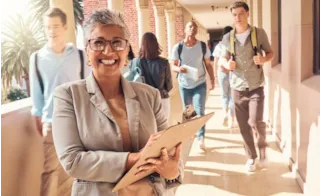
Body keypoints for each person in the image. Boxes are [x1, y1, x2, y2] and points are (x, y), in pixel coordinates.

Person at [52, 9, 183, 196]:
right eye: (98, 43)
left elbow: (170, 154)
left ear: (127, 49)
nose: (109, 51)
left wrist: (172, 170)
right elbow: (73, 161)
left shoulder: (150, 95)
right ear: (87, 50)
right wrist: (137, 158)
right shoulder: (68, 96)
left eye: (117, 43)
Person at [29, 7, 89, 196]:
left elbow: (88, 90)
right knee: (50, 173)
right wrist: (39, 118)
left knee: (75, 172)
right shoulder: (37, 58)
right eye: (48, 27)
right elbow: (36, 94)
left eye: (55, 26)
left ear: (64, 27)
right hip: (51, 124)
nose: (52, 31)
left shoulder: (79, 56)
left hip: (76, 124)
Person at [219, 1, 274, 171]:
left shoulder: (259, 33)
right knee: (243, 126)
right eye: (234, 15)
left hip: (256, 86)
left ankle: (262, 148)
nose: (238, 17)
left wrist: (264, 59)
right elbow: (222, 58)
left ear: (248, 14)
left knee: (255, 121)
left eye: (241, 13)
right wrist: (228, 65)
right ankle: (251, 157)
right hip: (237, 88)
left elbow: (270, 53)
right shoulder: (228, 38)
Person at [171, 21, 215, 150]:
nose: (193, 29)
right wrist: (179, 69)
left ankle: (201, 138)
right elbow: (173, 65)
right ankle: (190, 134)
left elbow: (208, 64)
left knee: (200, 110)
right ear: (185, 29)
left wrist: (212, 79)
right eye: (190, 26)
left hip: (199, 83)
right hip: (184, 84)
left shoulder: (202, 46)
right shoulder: (178, 47)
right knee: (189, 112)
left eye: (195, 27)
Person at [128, 32, 173, 119]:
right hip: (161, 98)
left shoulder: (135, 62)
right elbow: (169, 86)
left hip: (143, 101)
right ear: (156, 45)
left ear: (142, 45)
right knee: (163, 129)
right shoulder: (164, 62)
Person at [212, 26, 236, 128]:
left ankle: (225, 114)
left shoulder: (219, 46)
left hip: (222, 72)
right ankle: (232, 120)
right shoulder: (235, 45)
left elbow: (216, 61)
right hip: (233, 73)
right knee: (232, 96)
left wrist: (215, 76)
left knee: (224, 95)